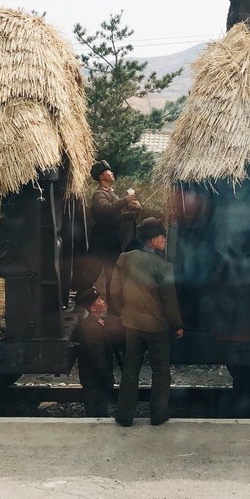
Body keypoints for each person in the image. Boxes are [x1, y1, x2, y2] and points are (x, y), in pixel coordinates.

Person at [113, 217, 184, 426]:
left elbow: (115, 291)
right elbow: (170, 302)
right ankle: (158, 415)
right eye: (162, 237)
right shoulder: (164, 266)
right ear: (153, 241)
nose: (164, 240)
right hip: (157, 328)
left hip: (132, 325)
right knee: (161, 371)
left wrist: (124, 311)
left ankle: (124, 416)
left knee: (130, 370)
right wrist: (178, 326)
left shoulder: (124, 259)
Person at [86, 160, 140, 311]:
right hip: (102, 243)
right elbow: (105, 210)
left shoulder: (112, 193)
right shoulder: (99, 194)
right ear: (102, 176)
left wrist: (131, 215)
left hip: (112, 242)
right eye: (109, 171)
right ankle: (84, 305)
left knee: (113, 277)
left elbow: (114, 218)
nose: (112, 173)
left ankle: (112, 310)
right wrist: (125, 201)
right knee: (92, 276)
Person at [73, 287, 117, 417]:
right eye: (99, 300)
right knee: (97, 416)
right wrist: (108, 379)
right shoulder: (93, 329)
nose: (103, 302)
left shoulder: (94, 324)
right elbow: (98, 358)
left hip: (94, 380)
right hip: (95, 382)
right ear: (92, 308)